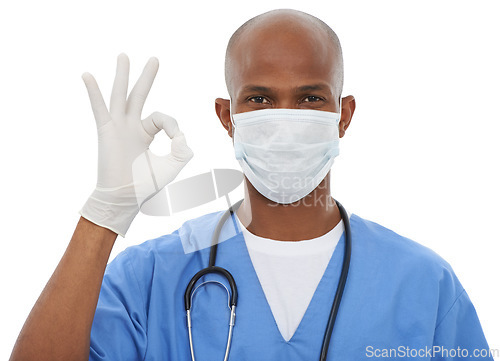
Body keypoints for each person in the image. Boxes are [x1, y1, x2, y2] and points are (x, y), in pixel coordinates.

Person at [9, 9, 493, 361]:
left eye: (309, 98)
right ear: (227, 116)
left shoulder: (423, 285)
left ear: (342, 116)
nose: (284, 117)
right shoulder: (151, 277)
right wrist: (102, 217)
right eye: (260, 98)